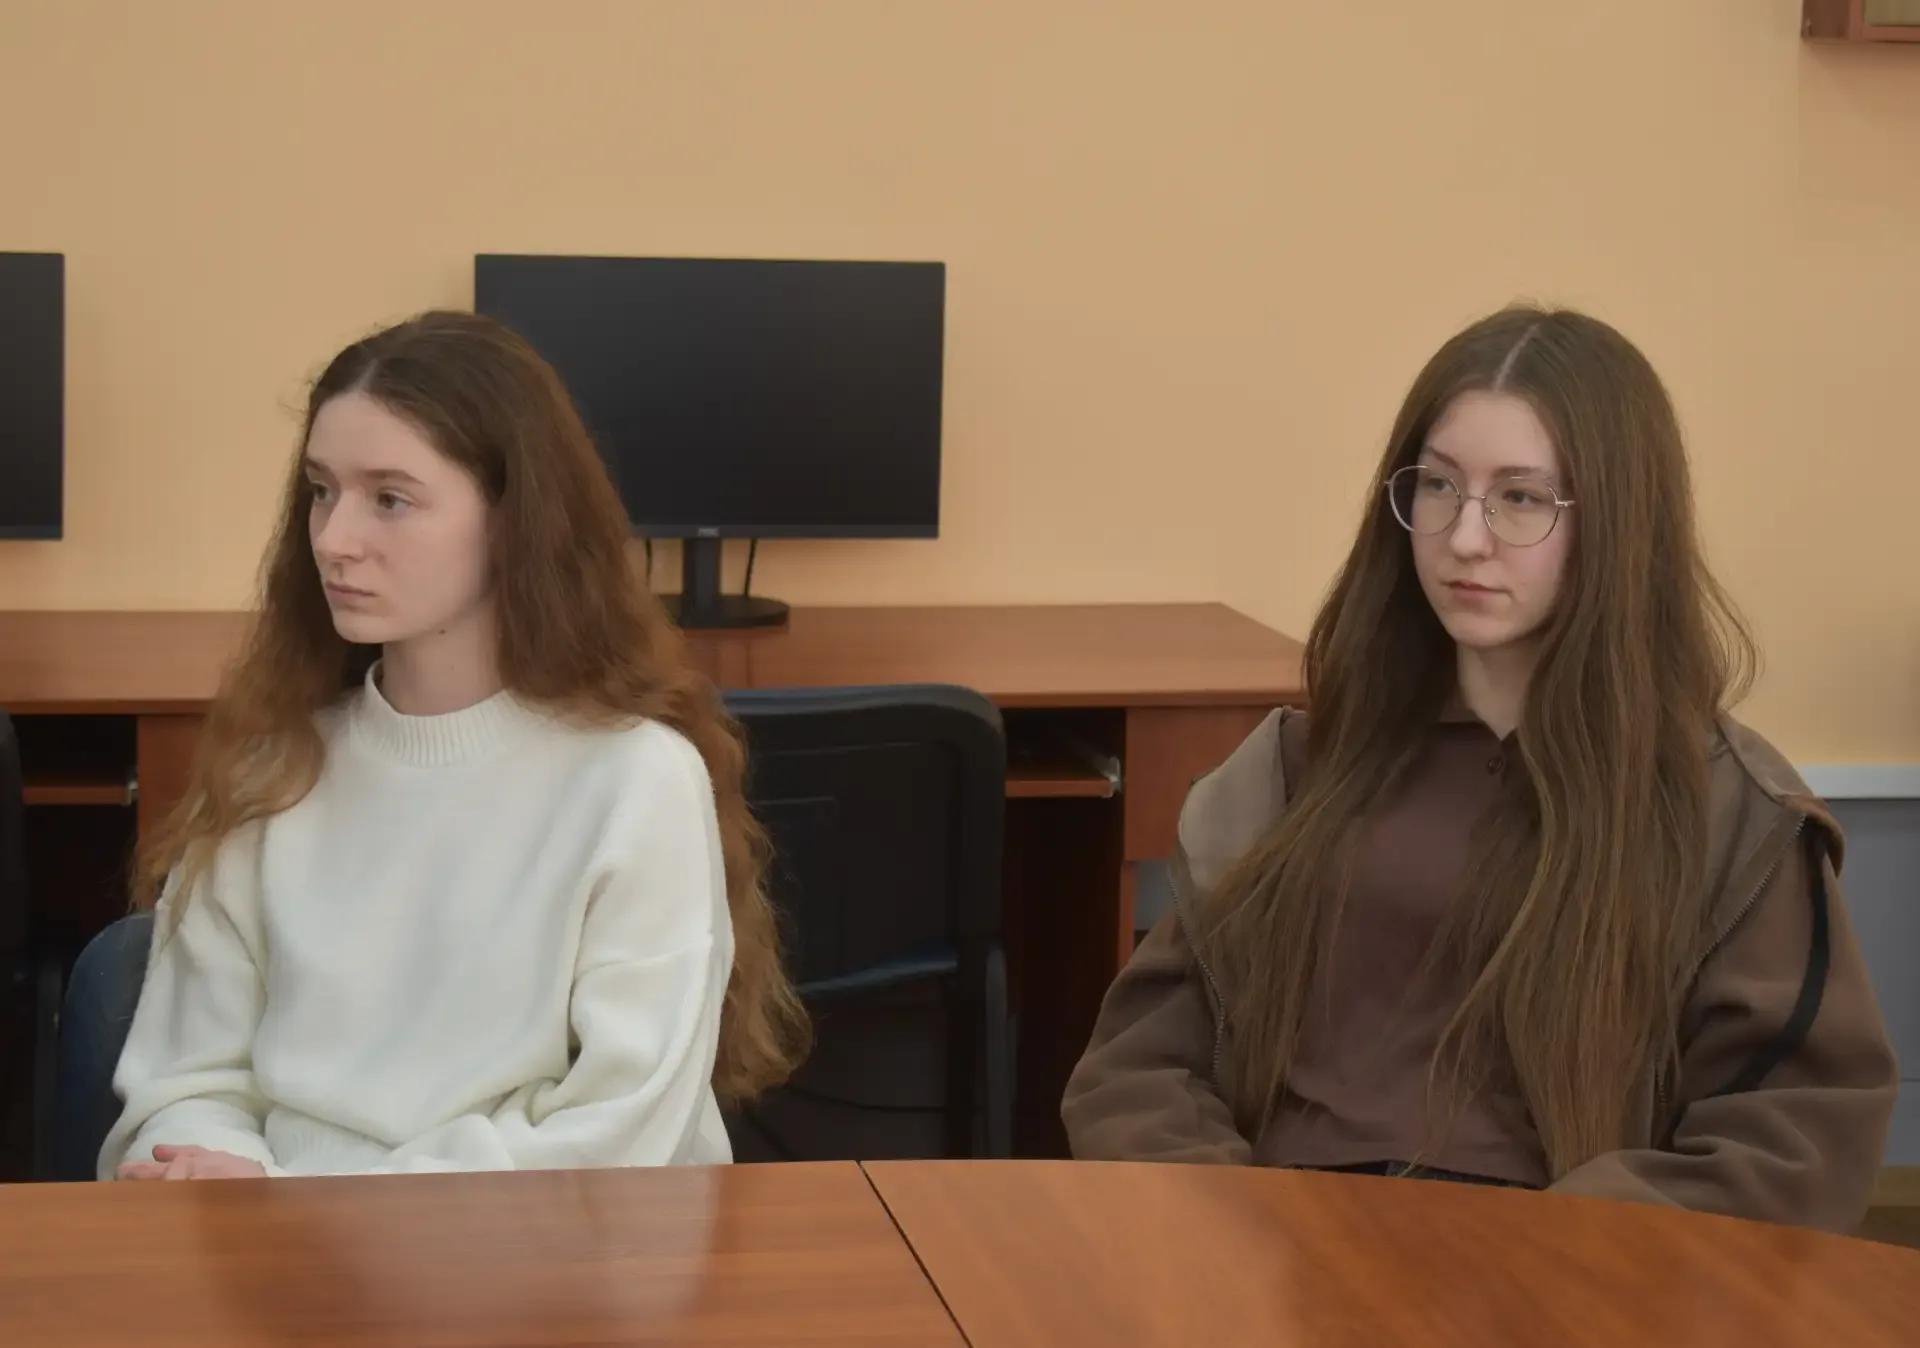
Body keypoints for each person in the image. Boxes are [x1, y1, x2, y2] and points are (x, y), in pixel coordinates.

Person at [1061, 305, 1896, 1232]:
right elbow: (1144, 1068)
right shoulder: (1290, 773)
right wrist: (1231, 1230)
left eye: (1521, 498)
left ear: (1621, 525)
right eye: (1438, 485)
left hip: (1565, 1277)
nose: (1465, 537)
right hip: (1279, 1254)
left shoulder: (1731, 812)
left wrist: (1536, 1262)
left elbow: (1785, 1139)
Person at [102, 311, 807, 1179]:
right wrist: (213, 1175)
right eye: (321, 490)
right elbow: (183, 1085)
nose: (333, 539)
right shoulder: (274, 767)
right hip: (272, 1244)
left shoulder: (636, 782)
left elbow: (617, 1138)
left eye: (390, 499)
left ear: (515, 522)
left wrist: (297, 1205)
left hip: (538, 1254)